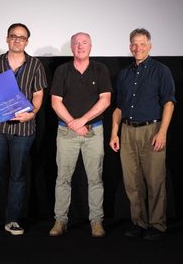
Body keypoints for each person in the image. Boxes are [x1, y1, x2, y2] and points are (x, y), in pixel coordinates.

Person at [0, 23, 47, 237]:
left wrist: (32, 113)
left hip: (24, 129)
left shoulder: (35, 65)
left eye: (22, 37)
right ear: (7, 39)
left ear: (27, 41)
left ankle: (12, 220)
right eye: (13, 36)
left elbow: (38, 94)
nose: (17, 40)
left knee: (18, 176)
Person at [109, 28, 176, 240]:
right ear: (130, 47)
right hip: (127, 131)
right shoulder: (124, 73)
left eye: (142, 44)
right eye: (134, 44)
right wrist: (114, 133)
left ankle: (156, 225)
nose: (138, 48)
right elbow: (118, 107)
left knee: (155, 180)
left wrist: (163, 132)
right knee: (132, 182)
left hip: (152, 130)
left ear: (150, 46)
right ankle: (139, 222)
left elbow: (169, 102)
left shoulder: (161, 70)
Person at [49, 32, 112, 237]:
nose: (80, 46)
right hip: (65, 131)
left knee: (95, 179)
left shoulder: (100, 69)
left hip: (93, 131)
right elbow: (55, 102)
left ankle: (96, 222)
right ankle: (60, 221)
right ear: (71, 46)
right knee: (63, 179)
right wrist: (72, 123)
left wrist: (82, 121)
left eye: (84, 43)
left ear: (91, 46)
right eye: (76, 43)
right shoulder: (62, 70)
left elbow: (105, 100)